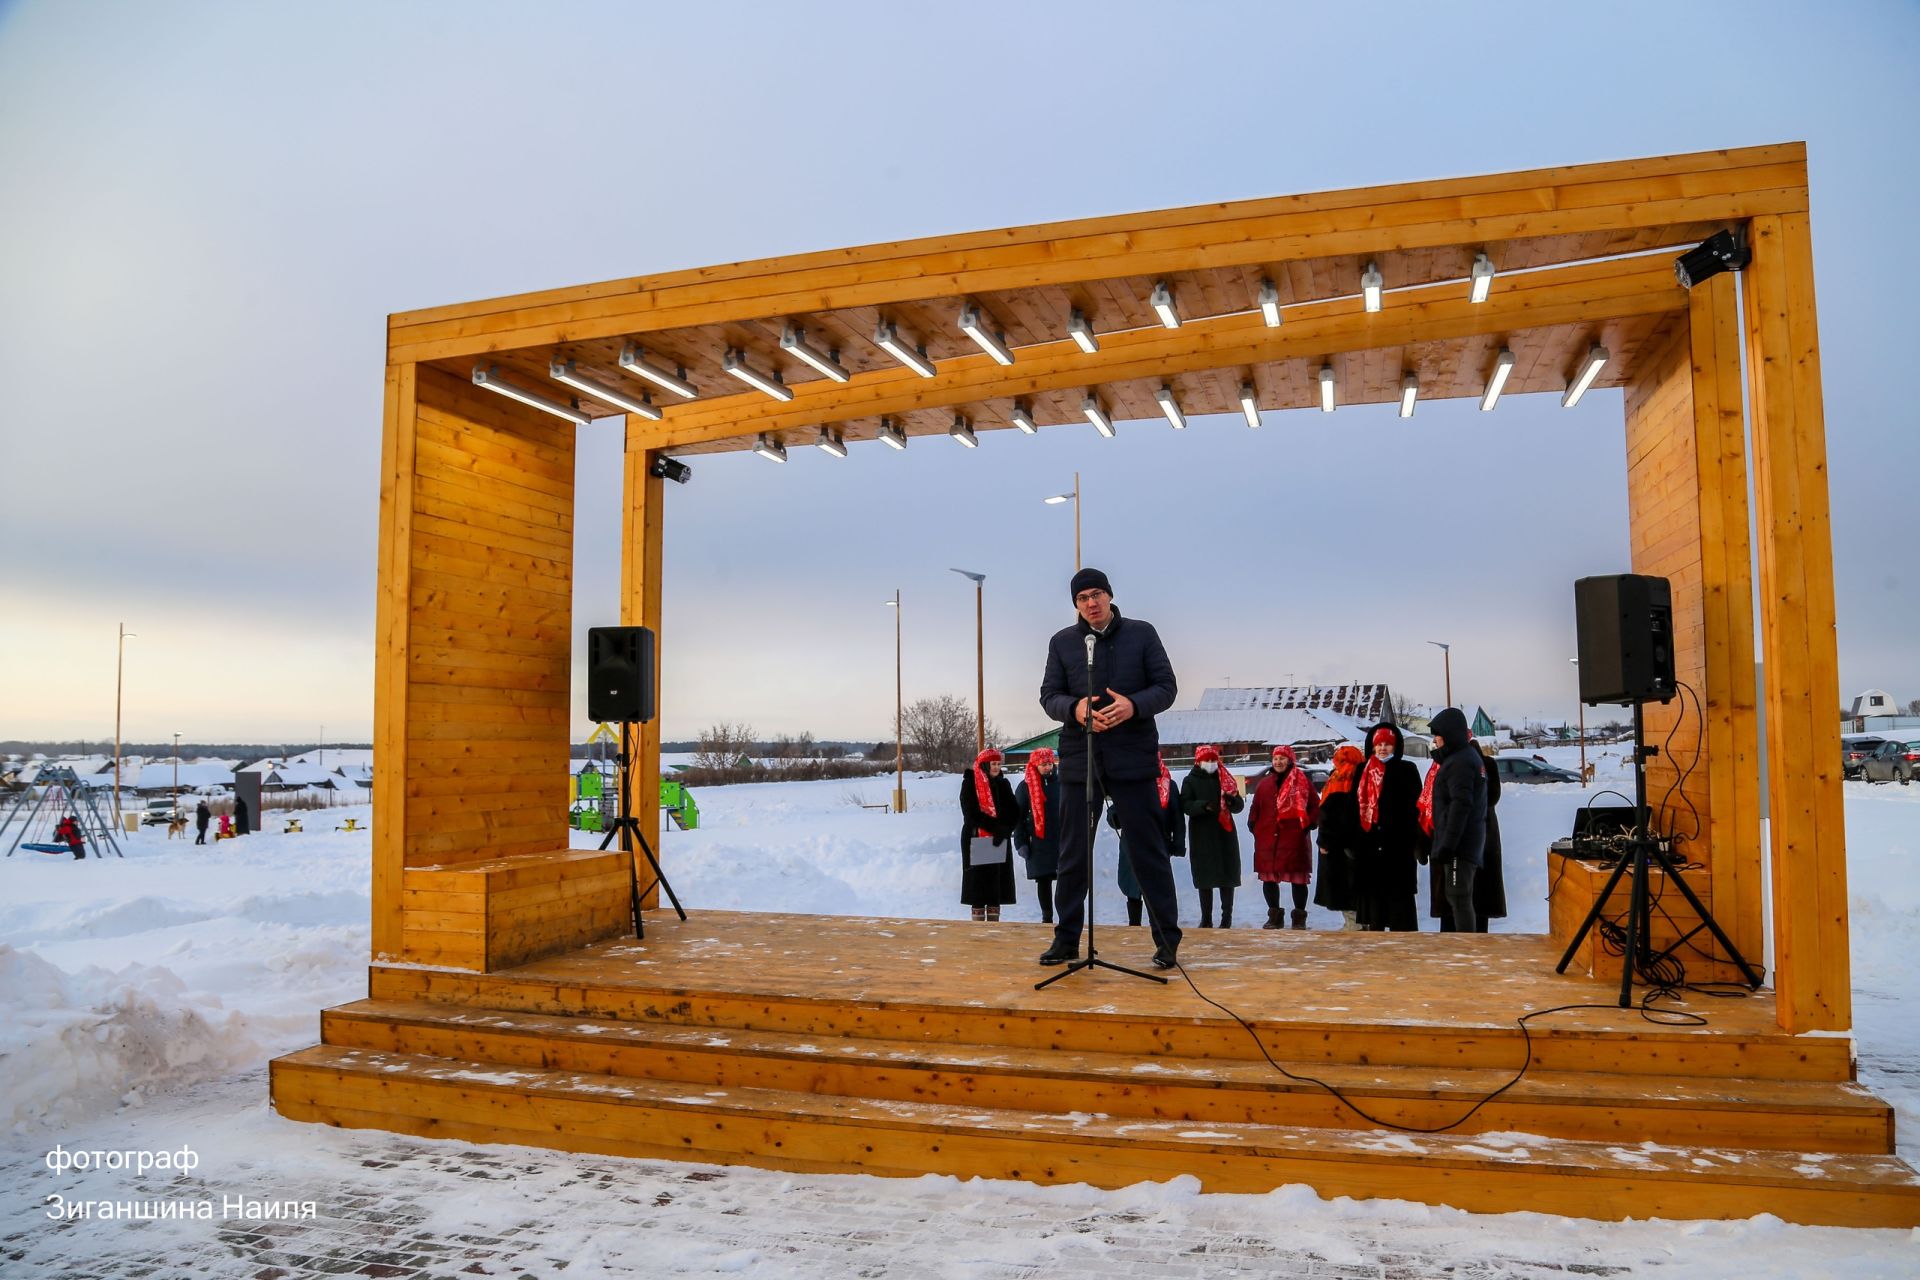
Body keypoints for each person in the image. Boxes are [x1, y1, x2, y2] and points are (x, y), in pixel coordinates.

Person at [1037, 567, 1183, 970]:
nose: (1091, 603)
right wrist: (1076, 708)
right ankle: (1066, 939)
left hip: (1131, 757)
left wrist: (1133, 705)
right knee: (1072, 855)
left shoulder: (1142, 633)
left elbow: (1167, 686)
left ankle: (1166, 940)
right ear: (1076, 605)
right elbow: (1049, 696)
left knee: (1147, 851)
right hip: (1080, 758)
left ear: (1110, 596)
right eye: (1083, 598)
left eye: (1097, 594)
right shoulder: (1064, 643)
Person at [1421, 707, 1488, 933]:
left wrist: (1448, 844)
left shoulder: (1460, 762)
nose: (1435, 742)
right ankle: (1465, 945)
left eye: (1438, 737)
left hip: (1461, 844)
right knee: (1457, 896)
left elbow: (1461, 805)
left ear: (1449, 736)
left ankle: (1468, 949)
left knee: (1459, 896)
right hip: (1463, 840)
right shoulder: (1462, 757)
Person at [1353, 723, 1422, 931]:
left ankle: (1403, 945)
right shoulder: (1362, 770)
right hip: (1370, 844)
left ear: (1396, 747)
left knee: (1399, 901)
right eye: (1379, 744)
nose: (1383, 748)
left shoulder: (1407, 770)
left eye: (1388, 744)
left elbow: (1416, 807)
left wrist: (1414, 839)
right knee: (1375, 903)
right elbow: (1353, 806)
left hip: (1398, 845)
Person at [1108, 751, 1185, 926]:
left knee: (1156, 885)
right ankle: (1134, 924)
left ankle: (1157, 925)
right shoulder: (1129, 785)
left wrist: (1177, 844)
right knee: (1132, 884)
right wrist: (1115, 817)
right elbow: (1114, 812)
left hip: (1158, 841)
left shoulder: (1169, 786)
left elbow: (1177, 818)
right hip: (1131, 842)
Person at [1248, 744, 1320, 929]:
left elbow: (1315, 805)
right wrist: (1253, 824)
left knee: (1297, 878)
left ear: (1290, 759)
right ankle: (1274, 916)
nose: (1278, 762)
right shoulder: (1264, 784)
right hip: (1267, 838)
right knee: (1269, 878)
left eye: (1282, 758)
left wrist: (1310, 823)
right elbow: (1255, 807)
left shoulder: (1301, 781)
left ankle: (1299, 917)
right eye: (1275, 758)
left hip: (1294, 836)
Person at [1181, 745, 1245, 929]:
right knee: (1204, 876)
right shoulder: (1190, 780)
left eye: (1212, 760)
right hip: (1202, 834)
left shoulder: (1225, 779)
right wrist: (1203, 806)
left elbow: (1238, 804)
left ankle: (1227, 917)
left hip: (1224, 832)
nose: (1210, 764)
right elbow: (1185, 804)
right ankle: (1206, 917)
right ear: (1198, 761)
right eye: (1206, 760)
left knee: (1227, 874)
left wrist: (1233, 802)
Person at [958, 748, 1019, 921]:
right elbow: (971, 813)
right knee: (978, 888)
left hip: (998, 840)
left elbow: (1014, 811)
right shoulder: (970, 782)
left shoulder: (1003, 784)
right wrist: (995, 828)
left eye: (999, 764)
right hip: (976, 838)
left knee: (995, 888)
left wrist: (1006, 829)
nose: (996, 767)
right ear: (985, 764)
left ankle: (993, 927)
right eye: (993, 764)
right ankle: (978, 930)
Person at [1312, 744, 1367, 929]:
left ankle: (1353, 924)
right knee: (1356, 883)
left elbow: (1328, 815)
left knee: (1342, 886)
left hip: (1336, 845)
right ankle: (1362, 921)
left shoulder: (1338, 779)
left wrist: (1324, 840)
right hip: (1358, 842)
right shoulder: (1364, 777)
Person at [1014, 748, 1065, 925]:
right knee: (1043, 879)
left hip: (1060, 839)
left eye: (1049, 763)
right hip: (1037, 842)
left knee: (1063, 879)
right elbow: (1018, 817)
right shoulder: (1025, 787)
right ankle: (1047, 916)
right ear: (1035, 765)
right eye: (1043, 764)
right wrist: (1020, 843)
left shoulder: (1061, 783)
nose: (1047, 767)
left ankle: (1064, 915)